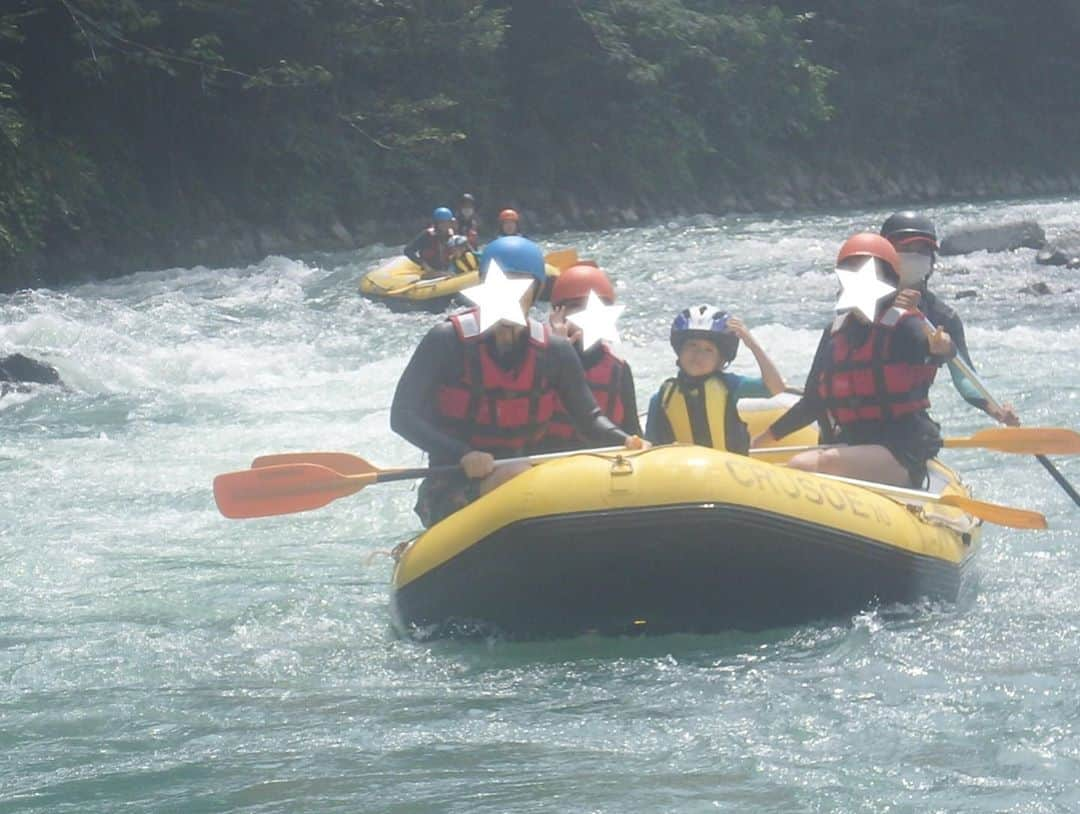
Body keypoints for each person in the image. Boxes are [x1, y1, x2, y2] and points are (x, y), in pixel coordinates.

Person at [391, 236, 646, 527]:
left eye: (520, 286)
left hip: (529, 482)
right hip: (452, 486)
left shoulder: (554, 350)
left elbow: (590, 418)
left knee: (523, 476)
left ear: (535, 292)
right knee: (516, 476)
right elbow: (402, 416)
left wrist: (628, 440)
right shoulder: (447, 340)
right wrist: (463, 454)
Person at [753, 233, 956, 488]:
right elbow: (813, 402)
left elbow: (939, 349)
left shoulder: (904, 326)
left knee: (801, 466)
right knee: (798, 465)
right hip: (851, 444)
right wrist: (758, 442)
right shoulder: (835, 332)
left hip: (901, 448)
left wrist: (942, 345)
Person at [880, 211, 1019, 425]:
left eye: (922, 251)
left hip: (906, 428)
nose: (914, 257)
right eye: (905, 250)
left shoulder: (942, 316)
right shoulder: (861, 306)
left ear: (932, 261)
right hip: (850, 426)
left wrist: (997, 412)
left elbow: (964, 377)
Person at [645, 305, 786, 453]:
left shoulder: (730, 385)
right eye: (692, 346)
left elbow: (776, 388)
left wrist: (751, 343)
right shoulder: (663, 396)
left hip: (727, 471)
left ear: (720, 359)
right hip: (683, 473)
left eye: (708, 350)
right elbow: (649, 443)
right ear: (680, 350)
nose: (698, 355)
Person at [540, 264, 642, 451]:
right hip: (550, 464)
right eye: (576, 307)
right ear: (558, 314)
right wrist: (559, 351)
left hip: (606, 466)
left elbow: (633, 429)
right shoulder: (539, 360)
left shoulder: (619, 369)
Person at [403, 207, 455, 275]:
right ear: (436, 224)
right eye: (441, 223)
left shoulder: (452, 235)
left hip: (447, 270)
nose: (445, 225)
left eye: (447, 222)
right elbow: (408, 250)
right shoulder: (427, 235)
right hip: (429, 271)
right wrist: (423, 264)